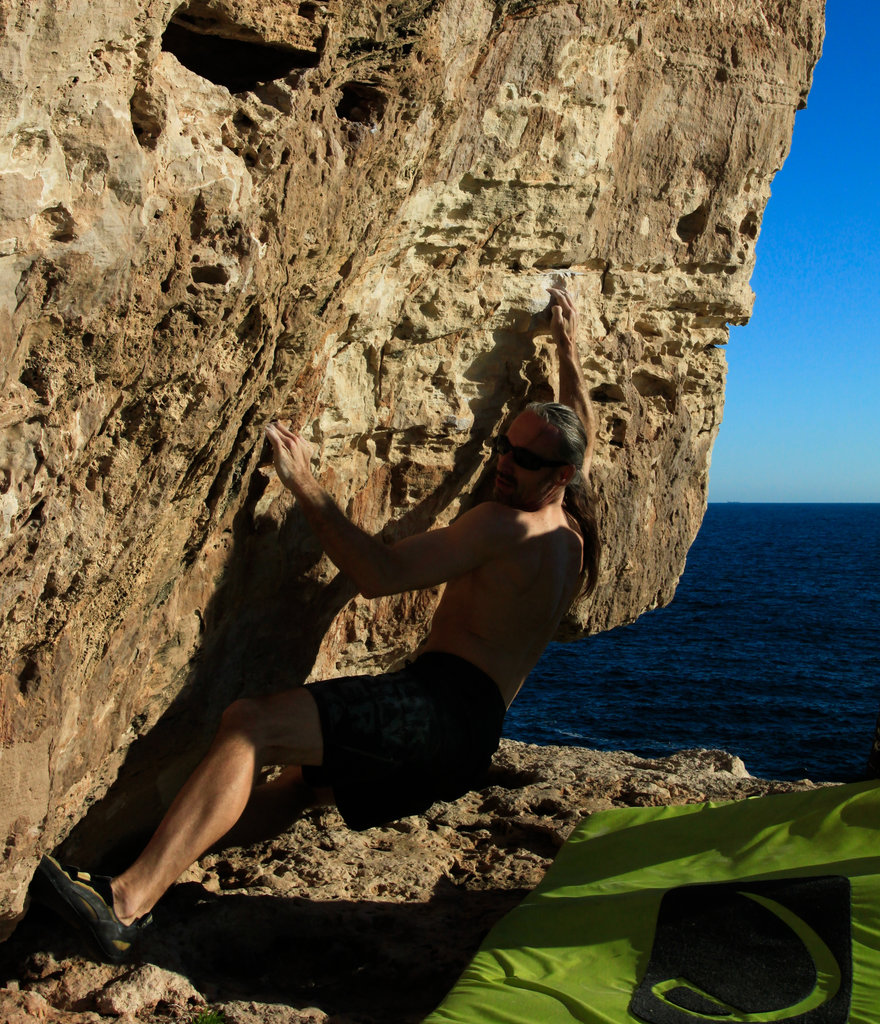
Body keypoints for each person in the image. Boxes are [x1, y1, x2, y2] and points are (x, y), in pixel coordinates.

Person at [34, 287, 601, 962]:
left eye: (523, 460)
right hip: (473, 732)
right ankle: (150, 857)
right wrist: (569, 349)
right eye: (505, 447)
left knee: (252, 724)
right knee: (303, 786)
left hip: (439, 710)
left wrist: (304, 482)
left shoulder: (505, 526)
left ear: (556, 473)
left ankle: (126, 905)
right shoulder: (572, 531)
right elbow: (582, 438)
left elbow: (381, 575)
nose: (504, 464)